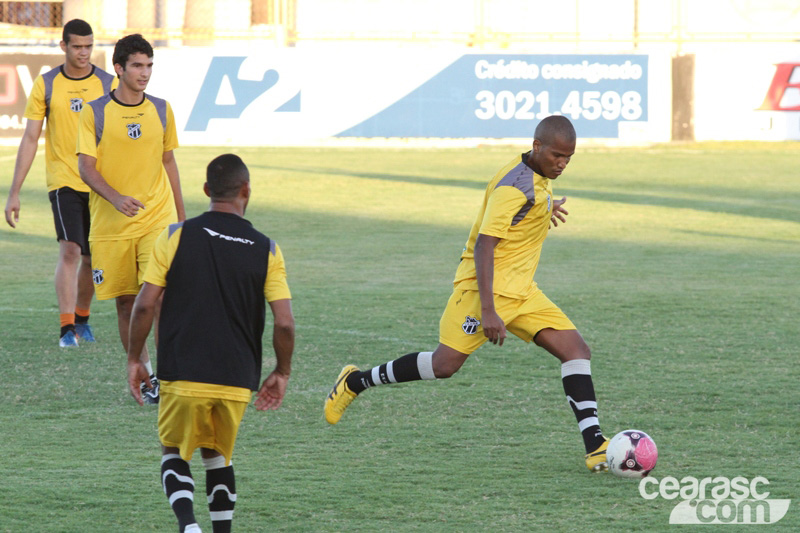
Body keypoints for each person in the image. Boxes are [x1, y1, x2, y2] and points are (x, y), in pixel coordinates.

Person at [325, 115, 610, 472]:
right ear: (537, 146)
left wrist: (543, 209)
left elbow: (523, 210)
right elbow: (484, 247)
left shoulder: (537, 178)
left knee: (576, 351)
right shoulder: (513, 188)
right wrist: (489, 311)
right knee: (445, 365)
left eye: (569, 158)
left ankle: (595, 446)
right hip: (482, 292)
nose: (562, 164)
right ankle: (356, 380)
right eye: (557, 156)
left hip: (522, 293)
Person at [126, 154, 295, 533]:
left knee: (174, 451)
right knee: (218, 455)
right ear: (246, 190)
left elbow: (144, 305)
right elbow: (284, 323)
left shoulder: (174, 236)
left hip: (182, 372)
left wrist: (135, 358)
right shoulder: (267, 249)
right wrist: (282, 372)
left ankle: (188, 525)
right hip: (237, 378)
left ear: (206, 191)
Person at [77, 33, 185, 403]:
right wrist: (116, 198)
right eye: (137, 66)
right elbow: (86, 169)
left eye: (149, 65)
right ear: (119, 69)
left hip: (158, 218)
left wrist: (182, 219)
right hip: (111, 224)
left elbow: (168, 162)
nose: (145, 73)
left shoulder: (161, 109)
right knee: (127, 303)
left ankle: (169, 379)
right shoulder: (94, 112)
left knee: (159, 298)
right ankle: (146, 374)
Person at [4, 19, 116, 347]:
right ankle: (67, 328)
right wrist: (14, 193)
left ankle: (82, 317)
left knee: (93, 258)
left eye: (88, 46)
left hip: (99, 183)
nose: (84, 53)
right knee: (70, 249)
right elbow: (29, 138)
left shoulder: (108, 83)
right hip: (63, 180)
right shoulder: (47, 84)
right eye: (77, 46)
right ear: (63, 46)